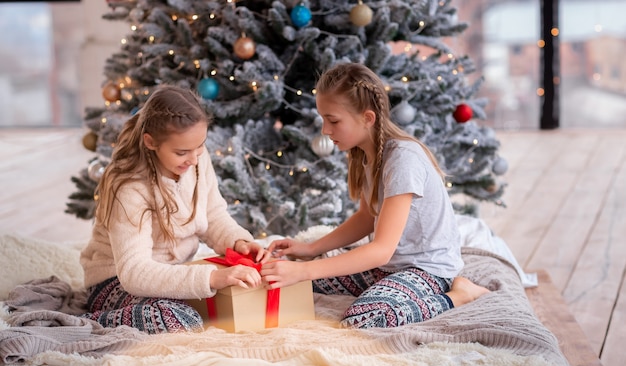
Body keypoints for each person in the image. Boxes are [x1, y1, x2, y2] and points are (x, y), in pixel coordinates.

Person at [261, 62, 489, 329]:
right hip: (390, 268)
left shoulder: (403, 159)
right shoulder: (367, 155)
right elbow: (367, 217)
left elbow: (381, 250)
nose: (325, 130)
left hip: (427, 270)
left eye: (333, 120)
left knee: (364, 319)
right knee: (296, 280)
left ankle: (459, 296)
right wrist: (311, 250)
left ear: (367, 118)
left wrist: (305, 268)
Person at [80, 84, 266, 334]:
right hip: (116, 281)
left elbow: (213, 215)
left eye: (200, 146)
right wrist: (210, 277)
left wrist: (239, 242)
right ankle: (92, 320)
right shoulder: (129, 186)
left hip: (169, 276)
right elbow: (134, 273)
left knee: (224, 298)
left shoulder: (197, 159)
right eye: (182, 152)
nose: (194, 158)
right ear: (151, 142)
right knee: (179, 320)